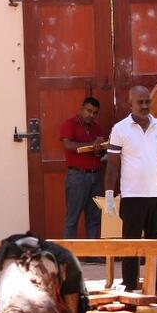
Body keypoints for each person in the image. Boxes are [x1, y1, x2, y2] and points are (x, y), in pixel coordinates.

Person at [104, 86, 157, 292]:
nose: (144, 106)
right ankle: (129, 288)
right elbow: (112, 165)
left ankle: (155, 288)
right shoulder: (120, 129)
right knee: (131, 245)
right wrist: (110, 195)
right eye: (139, 102)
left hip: (156, 195)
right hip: (132, 196)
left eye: (147, 101)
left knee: (155, 245)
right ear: (129, 103)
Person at [60, 97, 104, 239]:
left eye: (94, 113)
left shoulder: (97, 128)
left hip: (96, 176)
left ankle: (93, 254)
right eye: (88, 111)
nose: (91, 115)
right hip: (77, 176)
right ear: (81, 109)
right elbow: (68, 145)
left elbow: (100, 152)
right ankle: (69, 256)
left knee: (94, 218)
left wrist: (99, 149)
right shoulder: (69, 124)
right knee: (72, 218)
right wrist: (92, 145)